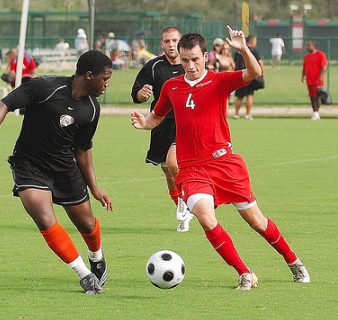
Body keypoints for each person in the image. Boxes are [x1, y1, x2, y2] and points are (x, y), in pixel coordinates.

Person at [132, 26, 310, 290]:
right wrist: (143, 123)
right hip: (191, 168)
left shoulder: (219, 81)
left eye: (194, 59)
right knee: (205, 218)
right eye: (184, 60)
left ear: (206, 56)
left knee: (256, 221)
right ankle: (245, 273)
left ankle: (293, 260)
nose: (190, 65)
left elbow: (255, 73)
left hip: (224, 164)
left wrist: (243, 49)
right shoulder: (171, 87)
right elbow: (156, 117)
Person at [0, 50, 114, 295]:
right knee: (44, 217)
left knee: (87, 224)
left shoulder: (92, 109)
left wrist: (94, 186)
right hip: (29, 165)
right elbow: (4, 104)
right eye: (105, 78)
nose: (107, 84)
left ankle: (96, 257)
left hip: (66, 170)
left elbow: (82, 150)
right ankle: (85, 275)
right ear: (89, 76)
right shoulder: (45, 87)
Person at [131, 26, 194, 233]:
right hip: (159, 123)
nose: (171, 45)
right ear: (162, 44)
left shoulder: (190, 65)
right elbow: (137, 94)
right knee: (168, 173)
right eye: (167, 41)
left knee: (174, 164)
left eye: (175, 40)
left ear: (181, 41)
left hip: (184, 123)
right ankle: (183, 210)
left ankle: (186, 203)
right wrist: (143, 94)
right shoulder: (154, 66)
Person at [233, 35, 264, 120]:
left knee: (239, 96)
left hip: (239, 75)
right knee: (249, 95)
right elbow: (260, 62)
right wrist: (262, 73)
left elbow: (235, 63)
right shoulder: (254, 50)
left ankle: (236, 114)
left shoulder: (239, 51)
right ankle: (247, 114)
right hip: (249, 75)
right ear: (252, 41)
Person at [302, 40, 328, 121]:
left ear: (313, 46)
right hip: (310, 80)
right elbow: (304, 67)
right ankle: (315, 112)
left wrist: (320, 76)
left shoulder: (320, 54)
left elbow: (324, 66)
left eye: (308, 45)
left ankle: (316, 112)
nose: (307, 47)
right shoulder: (307, 56)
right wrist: (303, 76)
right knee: (312, 97)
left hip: (317, 80)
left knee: (317, 96)